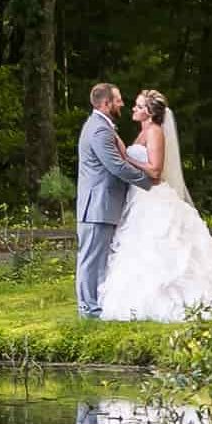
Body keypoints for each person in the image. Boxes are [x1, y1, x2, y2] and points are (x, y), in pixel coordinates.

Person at [97, 89, 212, 322]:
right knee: (139, 249)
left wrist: (125, 158)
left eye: (139, 106)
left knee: (164, 246)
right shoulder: (143, 133)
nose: (133, 108)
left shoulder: (155, 132)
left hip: (152, 198)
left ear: (150, 113)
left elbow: (154, 170)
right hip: (139, 198)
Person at [74, 82, 154, 320]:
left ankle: (96, 306)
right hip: (97, 206)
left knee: (99, 260)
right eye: (118, 99)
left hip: (104, 205)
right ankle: (88, 310)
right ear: (106, 103)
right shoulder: (99, 129)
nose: (122, 103)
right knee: (90, 259)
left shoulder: (103, 126)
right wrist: (148, 183)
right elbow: (115, 165)